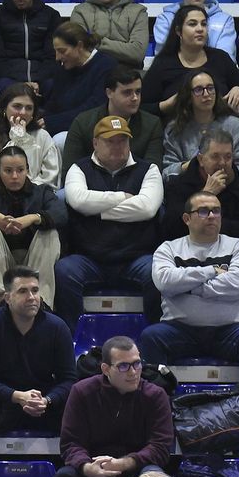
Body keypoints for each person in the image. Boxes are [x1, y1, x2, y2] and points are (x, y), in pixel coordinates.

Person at [140, 190, 239, 377]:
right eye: (203, 211)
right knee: (151, 337)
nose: (211, 216)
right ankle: (158, 395)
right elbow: (165, 282)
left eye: (216, 211)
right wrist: (212, 271)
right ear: (186, 219)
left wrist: (188, 288)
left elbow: (237, 286)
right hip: (180, 330)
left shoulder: (238, 246)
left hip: (231, 330)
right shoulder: (168, 249)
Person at [54, 115, 163, 325]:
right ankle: (70, 337)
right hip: (89, 258)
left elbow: (147, 208)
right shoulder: (79, 168)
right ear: (95, 143)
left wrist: (97, 210)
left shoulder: (149, 170)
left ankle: (152, 335)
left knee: (158, 271)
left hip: (136, 258)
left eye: (122, 140)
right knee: (64, 271)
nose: (117, 146)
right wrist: (123, 197)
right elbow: (78, 200)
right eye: (110, 141)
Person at [0, 267, 76, 473]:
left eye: (35, 290)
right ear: (7, 297)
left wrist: (48, 400)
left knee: (76, 402)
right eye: (23, 291)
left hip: (43, 405)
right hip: (3, 404)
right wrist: (17, 396)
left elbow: (69, 379)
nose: (32, 297)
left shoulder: (57, 327)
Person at [52, 336, 173, 477]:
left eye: (137, 364)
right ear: (106, 369)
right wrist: (87, 467)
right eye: (123, 366)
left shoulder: (156, 395)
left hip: (135, 470)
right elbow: (70, 443)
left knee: (154, 476)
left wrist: (123, 463)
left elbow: (160, 447)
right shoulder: (81, 392)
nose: (133, 372)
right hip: (93, 469)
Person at [0, 144, 66, 308]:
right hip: (2, 257)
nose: (15, 176)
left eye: (20, 170)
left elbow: (61, 214)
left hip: (34, 256)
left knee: (50, 232)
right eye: (8, 171)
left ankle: (41, 301)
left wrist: (33, 218)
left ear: (27, 170)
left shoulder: (42, 192)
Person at [160, 128, 239, 249]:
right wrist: (205, 195)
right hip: (188, 253)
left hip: (233, 253)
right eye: (215, 157)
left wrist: (208, 226)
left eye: (228, 157)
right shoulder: (177, 185)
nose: (222, 163)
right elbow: (170, 229)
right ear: (201, 159)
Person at [141, 4, 239, 117]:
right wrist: (166, 105)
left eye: (204, 24)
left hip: (220, 123)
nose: (200, 29)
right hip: (177, 124)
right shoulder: (163, 63)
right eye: (192, 24)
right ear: (178, 31)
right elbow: (142, 107)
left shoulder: (220, 58)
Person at [61, 65, 163, 171]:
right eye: (127, 92)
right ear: (109, 93)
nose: (135, 98)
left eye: (138, 91)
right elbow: (70, 169)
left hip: (136, 181)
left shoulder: (151, 125)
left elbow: (153, 171)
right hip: (89, 180)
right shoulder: (83, 123)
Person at [161, 71, 239, 175]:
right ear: (188, 95)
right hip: (189, 184)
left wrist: (222, 179)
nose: (206, 94)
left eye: (210, 88)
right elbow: (167, 173)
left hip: (228, 183)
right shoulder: (175, 129)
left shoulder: (234, 125)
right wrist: (195, 163)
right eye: (198, 90)